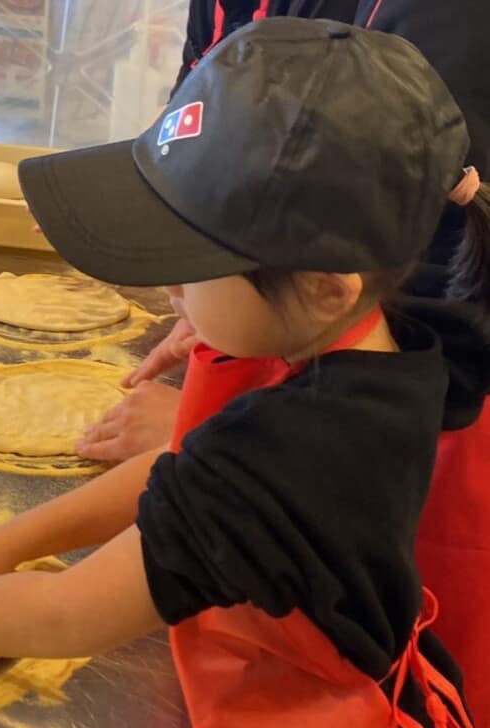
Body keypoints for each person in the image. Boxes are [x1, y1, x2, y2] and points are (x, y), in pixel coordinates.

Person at [0, 19, 490, 728]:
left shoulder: (296, 453)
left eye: (191, 265)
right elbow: (180, 482)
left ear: (324, 286)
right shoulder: (387, 355)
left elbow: (67, 614)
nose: (168, 291)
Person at [78, 0, 490, 462]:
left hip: (396, 432)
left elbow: (447, 279)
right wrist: (207, 297)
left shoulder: (451, 22)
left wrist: (227, 431)